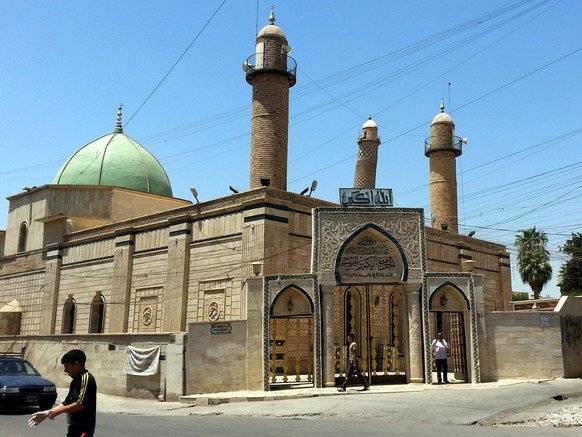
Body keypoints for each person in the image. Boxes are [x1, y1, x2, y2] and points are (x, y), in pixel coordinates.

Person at [48, 349, 97, 437]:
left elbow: (80, 404)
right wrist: (50, 412)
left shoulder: (86, 379)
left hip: (83, 430)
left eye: (67, 367)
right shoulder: (75, 381)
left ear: (76, 364)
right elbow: (67, 402)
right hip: (73, 428)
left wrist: (59, 411)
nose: (65, 371)